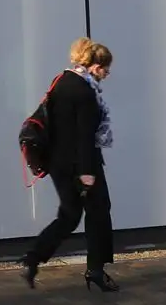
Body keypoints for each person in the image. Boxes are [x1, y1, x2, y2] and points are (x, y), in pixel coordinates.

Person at [20, 37, 117, 292]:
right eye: (105, 68)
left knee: (70, 215)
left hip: (59, 163)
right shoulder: (84, 92)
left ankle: (33, 258)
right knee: (99, 212)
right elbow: (84, 134)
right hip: (82, 164)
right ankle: (96, 270)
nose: (107, 73)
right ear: (94, 64)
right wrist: (87, 172)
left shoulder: (62, 81)